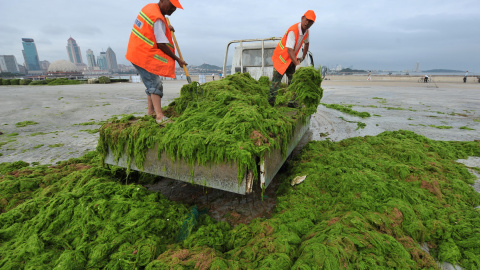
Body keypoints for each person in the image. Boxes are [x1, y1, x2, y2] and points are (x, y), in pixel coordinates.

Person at [126, 0, 187, 124]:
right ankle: (159, 116)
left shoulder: (150, 9)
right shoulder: (158, 18)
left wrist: (166, 27)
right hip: (143, 55)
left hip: (136, 52)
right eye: (171, 6)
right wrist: (177, 59)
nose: (173, 10)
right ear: (163, 1)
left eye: (175, 8)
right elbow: (161, 44)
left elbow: (153, 28)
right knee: (155, 83)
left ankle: (151, 112)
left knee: (150, 83)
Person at [268, 10, 315, 106]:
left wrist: (302, 57)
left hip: (290, 59)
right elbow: (289, 50)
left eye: (310, 22)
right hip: (281, 59)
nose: (307, 23)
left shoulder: (306, 32)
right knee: (276, 83)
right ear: (302, 18)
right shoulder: (293, 31)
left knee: (294, 81)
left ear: (312, 23)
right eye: (307, 20)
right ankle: (270, 103)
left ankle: (292, 102)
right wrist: (298, 65)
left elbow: (307, 43)